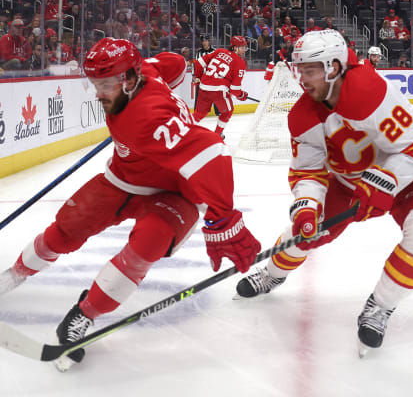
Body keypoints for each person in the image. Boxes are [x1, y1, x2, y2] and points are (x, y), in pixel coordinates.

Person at [0, 38, 261, 371]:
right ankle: (14, 275)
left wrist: (224, 219)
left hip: (175, 193)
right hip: (124, 179)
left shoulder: (146, 119)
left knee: (145, 246)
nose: (99, 92)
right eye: (95, 83)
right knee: (65, 231)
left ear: (129, 78)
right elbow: (177, 65)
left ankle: (84, 315)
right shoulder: (148, 69)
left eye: (106, 84)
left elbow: (213, 152)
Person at [236, 29, 413, 357]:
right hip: (348, 184)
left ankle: (380, 306)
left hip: (406, 178)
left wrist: (383, 181)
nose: (301, 79)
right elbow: (308, 172)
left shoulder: (368, 90)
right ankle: (273, 274)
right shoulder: (302, 116)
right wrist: (307, 206)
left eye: (309, 71)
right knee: (305, 230)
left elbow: (412, 145)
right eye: (299, 70)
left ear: (333, 68)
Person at [192, 35, 249, 138]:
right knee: (228, 111)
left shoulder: (220, 51)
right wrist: (242, 95)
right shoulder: (240, 63)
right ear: (234, 47)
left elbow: (199, 63)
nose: (244, 50)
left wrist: (198, 78)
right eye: (242, 47)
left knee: (200, 113)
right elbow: (235, 89)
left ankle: (183, 129)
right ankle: (218, 134)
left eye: (245, 47)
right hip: (218, 91)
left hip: (203, 87)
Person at [193, 34, 220, 115]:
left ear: (209, 41)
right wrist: (195, 76)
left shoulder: (215, 51)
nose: (204, 43)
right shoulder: (198, 53)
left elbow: (218, 64)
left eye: (206, 41)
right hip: (201, 78)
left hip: (212, 77)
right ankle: (198, 111)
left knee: (216, 95)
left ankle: (219, 111)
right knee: (199, 96)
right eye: (203, 41)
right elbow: (195, 64)